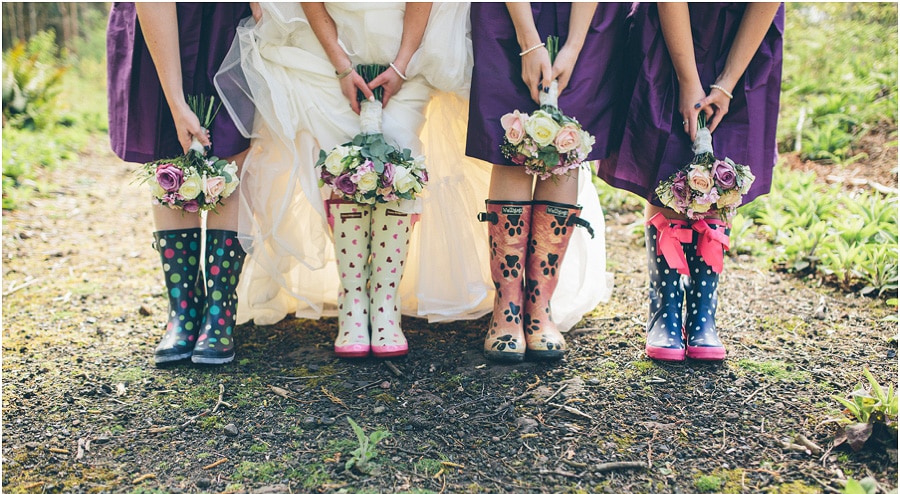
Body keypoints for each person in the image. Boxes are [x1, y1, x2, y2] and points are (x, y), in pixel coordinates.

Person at [215, 2, 499, 358]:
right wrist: (342, 65)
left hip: (407, 48)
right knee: (342, 165)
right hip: (325, 48)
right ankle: (353, 302)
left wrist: (402, 63)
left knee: (399, 159)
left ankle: (385, 304)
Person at [597, 2, 783, 362]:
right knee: (664, 155)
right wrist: (687, 80)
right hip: (673, 26)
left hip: (744, 31)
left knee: (726, 158)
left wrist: (727, 84)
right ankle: (664, 311)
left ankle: (702, 315)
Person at [465, 3, 622, 362]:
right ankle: (507, 305)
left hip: (586, 14)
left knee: (568, 142)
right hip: (509, 11)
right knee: (510, 136)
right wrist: (529, 41)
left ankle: (539, 304)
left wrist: (574, 44)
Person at [107, 2, 252, 365]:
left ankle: (220, 311)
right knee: (168, 149)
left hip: (226, 17)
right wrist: (175, 103)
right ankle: (183, 311)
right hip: (156, 20)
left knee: (231, 146)